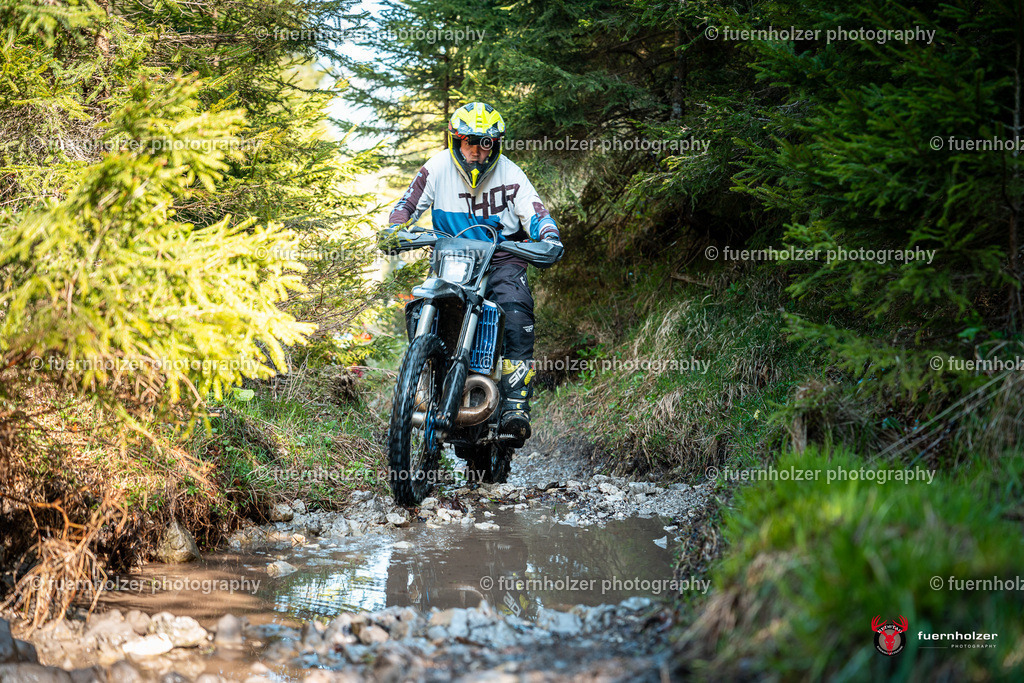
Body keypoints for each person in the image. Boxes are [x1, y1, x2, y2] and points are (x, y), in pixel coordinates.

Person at [385, 102, 563, 446]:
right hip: (452, 254)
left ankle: (514, 406)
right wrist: (396, 228)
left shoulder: (512, 174)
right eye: (470, 141)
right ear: (456, 141)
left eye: (486, 143)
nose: (478, 151)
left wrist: (549, 236)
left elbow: (537, 212)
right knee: (423, 305)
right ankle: (422, 379)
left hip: (501, 256)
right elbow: (406, 205)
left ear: (496, 145)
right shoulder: (436, 168)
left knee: (515, 309)